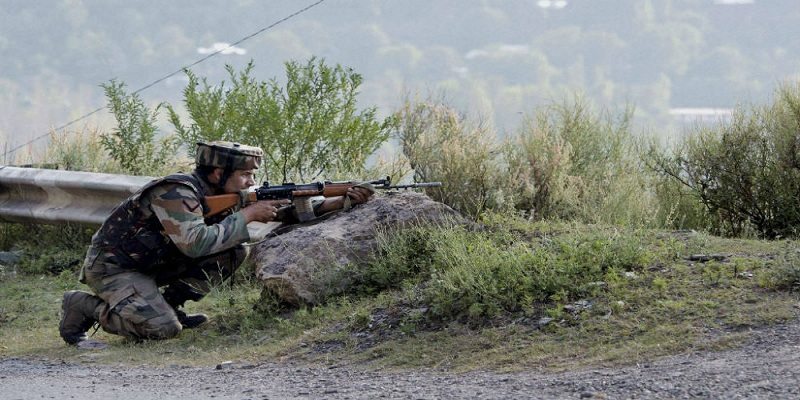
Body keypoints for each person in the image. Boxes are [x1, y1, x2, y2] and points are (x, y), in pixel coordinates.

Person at [59, 141, 374, 346]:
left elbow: (287, 211)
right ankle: (83, 305)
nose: (251, 181)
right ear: (218, 172)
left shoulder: (228, 194)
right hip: (116, 268)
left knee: (233, 250)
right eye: (245, 174)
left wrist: (337, 203)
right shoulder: (175, 192)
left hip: (158, 263)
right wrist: (249, 214)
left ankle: (170, 305)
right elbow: (195, 245)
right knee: (162, 331)